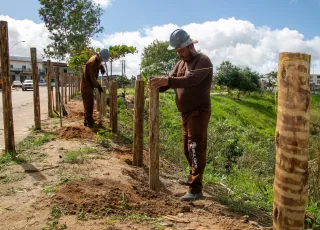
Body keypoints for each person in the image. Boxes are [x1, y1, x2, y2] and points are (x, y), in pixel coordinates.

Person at [149, 29, 213, 201]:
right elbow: (171, 80)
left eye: (182, 50)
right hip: (185, 113)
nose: (180, 54)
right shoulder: (180, 64)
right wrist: (157, 83)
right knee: (187, 149)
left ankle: (195, 189)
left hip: (199, 112)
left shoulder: (203, 60)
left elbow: (191, 80)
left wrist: (168, 81)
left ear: (190, 45)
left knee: (194, 147)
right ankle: (193, 178)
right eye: (177, 51)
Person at [80, 49, 109, 128]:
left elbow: (98, 64)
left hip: (90, 85)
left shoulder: (97, 59)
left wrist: (102, 68)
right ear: (99, 55)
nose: (102, 61)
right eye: (102, 60)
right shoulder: (91, 63)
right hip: (86, 85)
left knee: (89, 103)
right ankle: (89, 121)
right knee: (89, 104)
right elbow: (92, 78)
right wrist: (98, 86)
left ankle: (86, 120)